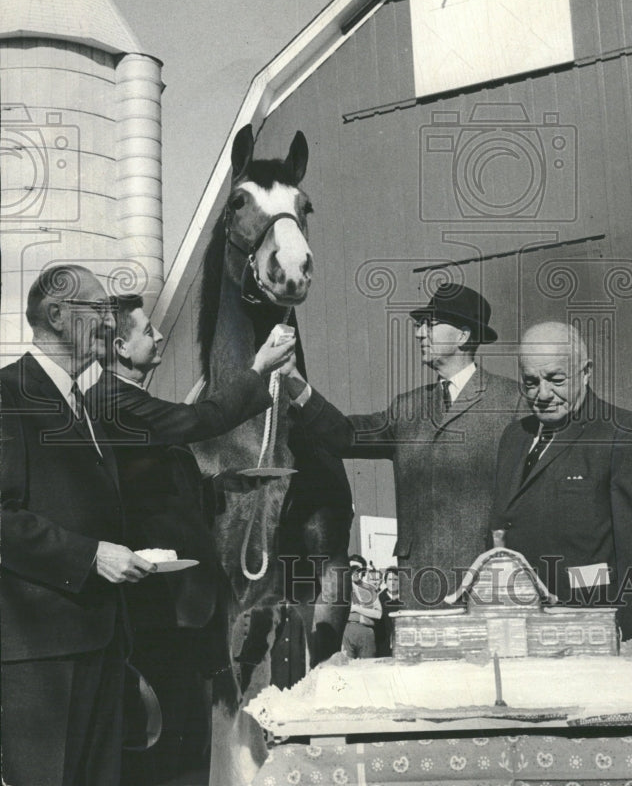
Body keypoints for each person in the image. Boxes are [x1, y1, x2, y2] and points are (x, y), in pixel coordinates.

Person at [84, 292, 296, 785]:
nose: (159, 337)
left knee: (186, 740)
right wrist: (258, 368)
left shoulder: (126, 401)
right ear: (118, 346)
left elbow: (158, 490)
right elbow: (197, 421)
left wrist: (223, 486)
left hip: (182, 607)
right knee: (167, 748)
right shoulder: (112, 400)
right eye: (147, 331)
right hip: (158, 612)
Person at [0, 265, 155, 786]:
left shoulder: (82, 404)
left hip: (101, 643)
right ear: (58, 314)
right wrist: (91, 556)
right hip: (41, 659)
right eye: (98, 311)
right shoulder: (9, 395)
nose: (110, 327)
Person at [279, 283, 520, 607]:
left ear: (463, 335)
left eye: (431, 324)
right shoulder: (407, 410)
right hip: (419, 588)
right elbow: (344, 435)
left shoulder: (512, 402)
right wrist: (294, 380)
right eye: (420, 325)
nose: (420, 334)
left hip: (486, 586)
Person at [489, 321, 632, 641]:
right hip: (520, 631)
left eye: (556, 379)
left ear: (586, 372)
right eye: (530, 382)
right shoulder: (513, 438)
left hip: (593, 632)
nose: (542, 394)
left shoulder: (626, 434)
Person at [341, 555, 382, 658]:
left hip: (366, 634)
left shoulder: (369, 589)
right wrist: (362, 617)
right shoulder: (341, 588)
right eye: (352, 568)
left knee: (367, 669)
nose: (355, 572)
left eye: (358, 569)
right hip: (346, 633)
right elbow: (337, 613)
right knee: (346, 669)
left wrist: (356, 609)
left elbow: (378, 614)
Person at [375, 567, 403, 657]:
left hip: (402, 640)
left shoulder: (405, 598)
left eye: (396, 579)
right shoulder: (379, 598)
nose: (392, 583)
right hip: (383, 642)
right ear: (385, 581)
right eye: (390, 579)